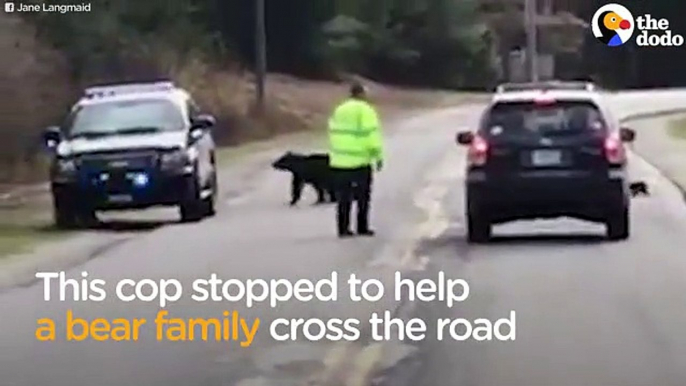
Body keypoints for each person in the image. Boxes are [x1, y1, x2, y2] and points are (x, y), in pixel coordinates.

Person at [327, 82, 384, 238]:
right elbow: (372, 135)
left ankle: (343, 228)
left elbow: (332, 132)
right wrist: (378, 156)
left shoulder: (339, 109)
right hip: (360, 161)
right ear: (362, 94)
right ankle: (362, 226)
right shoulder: (365, 110)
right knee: (362, 197)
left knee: (343, 198)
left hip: (340, 160)